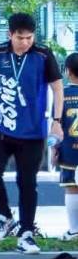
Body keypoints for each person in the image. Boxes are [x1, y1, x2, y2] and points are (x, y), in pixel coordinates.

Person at [0, 11, 62, 253]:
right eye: (20, 38)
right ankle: (4, 217)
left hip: (32, 133)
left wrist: (56, 120)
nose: (25, 42)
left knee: (27, 182)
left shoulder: (43, 55)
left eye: (29, 37)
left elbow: (57, 87)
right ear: (10, 34)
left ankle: (26, 234)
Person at [57, 53, 78, 242]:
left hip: (69, 149)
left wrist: (53, 149)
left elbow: (56, 125)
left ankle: (74, 230)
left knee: (72, 188)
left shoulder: (61, 95)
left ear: (67, 71)